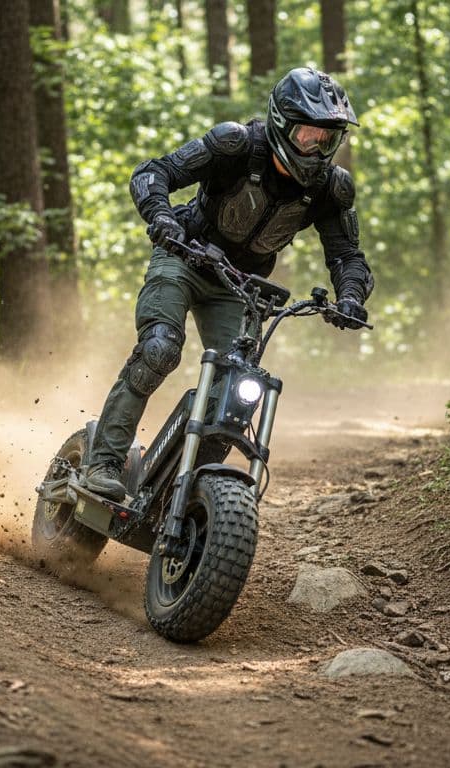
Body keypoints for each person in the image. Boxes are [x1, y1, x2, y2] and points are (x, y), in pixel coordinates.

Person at [84, 67, 375, 501]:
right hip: (184, 257)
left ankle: (180, 489)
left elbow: (347, 256)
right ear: (281, 123)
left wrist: (350, 296)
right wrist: (162, 218)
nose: (316, 149)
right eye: (307, 136)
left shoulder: (332, 189)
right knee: (161, 347)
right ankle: (103, 463)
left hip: (241, 286)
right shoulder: (234, 144)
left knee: (239, 391)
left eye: (327, 139)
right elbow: (153, 173)